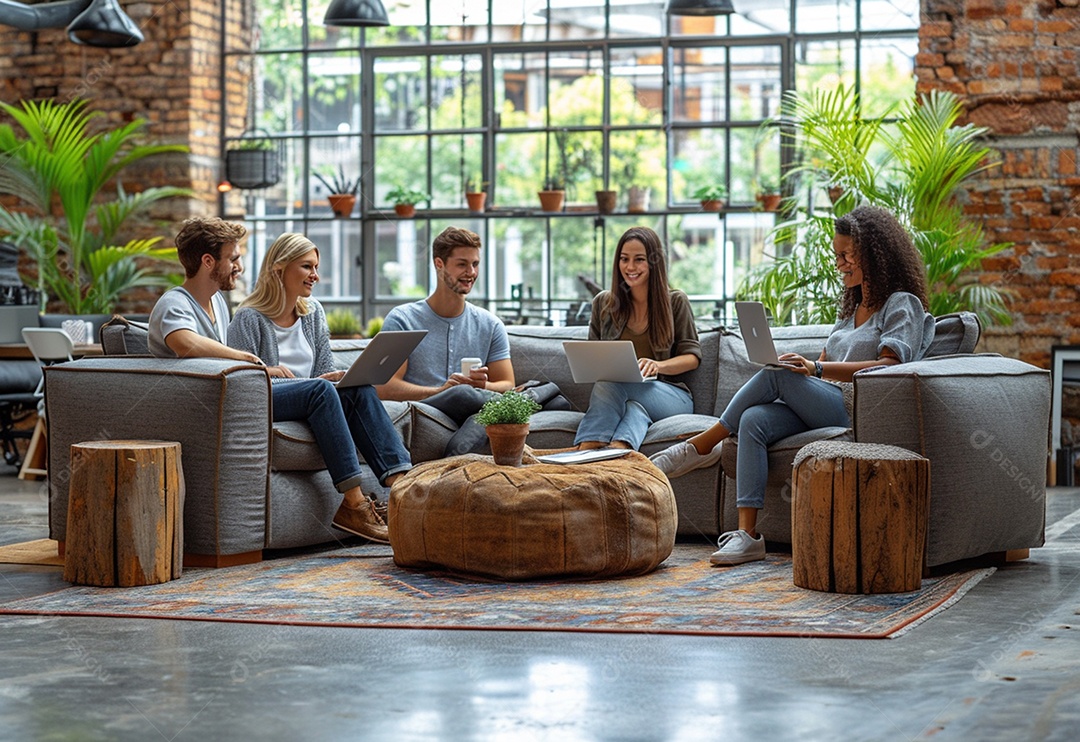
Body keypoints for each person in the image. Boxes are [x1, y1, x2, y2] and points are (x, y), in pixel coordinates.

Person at [650, 205, 935, 566]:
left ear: (875, 255)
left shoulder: (902, 304)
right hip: (825, 401)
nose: (839, 264)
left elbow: (890, 366)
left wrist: (815, 368)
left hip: (857, 407)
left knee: (776, 375)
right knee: (754, 419)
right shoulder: (851, 310)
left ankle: (703, 444)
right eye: (837, 255)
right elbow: (826, 363)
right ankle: (748, 536)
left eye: (847, 255)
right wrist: (806, 367)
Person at [148, 218, 395, 544]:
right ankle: (354, 503)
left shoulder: (217, 304)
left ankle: (403, 488)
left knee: (354, 388)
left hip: (239, 391)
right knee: (320, 390)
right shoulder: (175, 303)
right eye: (233, 258)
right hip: (211, 404)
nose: (239, 267)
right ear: (208, 261)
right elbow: (184, 343)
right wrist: (250, 361)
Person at [378, 226, 516, 455]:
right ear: (439, 264)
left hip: (472, 408)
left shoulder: (491, 325)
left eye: (475, 264)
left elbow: (507, 385)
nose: (471, 272)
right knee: (465, 395)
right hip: (426, 409)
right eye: (462, 264)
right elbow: (384, 387)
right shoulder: (402, 319)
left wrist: (481, 386)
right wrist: (441, 391)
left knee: (473, 397)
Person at [575, 226, 700, 451]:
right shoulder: (604, 304)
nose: (630, 267)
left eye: (639, 259)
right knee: (633, 411)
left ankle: (586, 448)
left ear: (653, 263)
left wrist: (658, 365)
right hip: (629, 400)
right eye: (624, 259)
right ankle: (618, 453)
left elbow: (692, 358)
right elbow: (593, 360)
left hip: (672, 397)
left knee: (609, 383)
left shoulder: (675, 302)